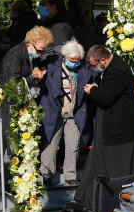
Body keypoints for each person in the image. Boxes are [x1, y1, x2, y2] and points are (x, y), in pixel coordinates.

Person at [74, 45, 134, 208]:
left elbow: (105, 97)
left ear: (103, 60)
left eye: (94, 65)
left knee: (118, 172)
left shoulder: (117, 72)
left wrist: (93, 91)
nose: (94, 68)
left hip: (120, 134)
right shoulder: (113, 68)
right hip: (112, 131)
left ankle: (112, 203)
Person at [39, 40, 95, 187]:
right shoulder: (52, 65)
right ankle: (46, 174)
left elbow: (94, 78)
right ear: (64, 56)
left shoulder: (85, 68)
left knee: (73, 145)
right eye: (72, 60)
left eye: (77, 60)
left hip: (75, 112)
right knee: (51, 143)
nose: (75, 63)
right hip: (55, 111)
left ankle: (70, 175)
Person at [0, 25, 54, 91]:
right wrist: (33, 77)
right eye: (39, 51)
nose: (40, 54)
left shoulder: (29, 52)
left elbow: (32, 65)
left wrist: (36, 68)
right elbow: (15, 86)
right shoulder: (14, 56)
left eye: (43, 51)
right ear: (29, 43)